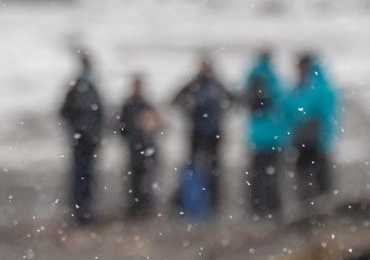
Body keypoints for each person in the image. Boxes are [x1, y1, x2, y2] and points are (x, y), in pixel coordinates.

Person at [171, 56, 233, 217]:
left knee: (213, 169)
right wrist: (190, 111)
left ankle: (212, 203)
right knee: (193, 168)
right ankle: (188, 202)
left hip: (212, 133)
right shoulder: (195, 85)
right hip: (197, 132)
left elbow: (232, 99)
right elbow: (175, 99)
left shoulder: (215, 85)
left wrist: (219, 113)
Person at [284, 53, 338, 211]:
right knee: (310, 175)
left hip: (312, 139)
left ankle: (316, 209)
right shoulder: (316, 84)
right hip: (306, 139)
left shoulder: (313, 86)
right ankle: (313, 208)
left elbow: (303, 111)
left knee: (314, 176)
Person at [57, 51, 105, 225]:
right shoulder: (79, 88)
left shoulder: (91, 89)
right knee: (80, 176)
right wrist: (77, 129)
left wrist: (95, 134)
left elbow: (100, 115)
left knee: (88, 177)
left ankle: (86, 211)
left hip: (89, 141)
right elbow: (64, 113)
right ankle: (79, 212)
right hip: (81, 141)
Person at [242, 50, 287, 219]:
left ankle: (257, 208)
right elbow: (283, 105)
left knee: (257, 175)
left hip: (257, 137)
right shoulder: (273, 80)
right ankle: (271, 209)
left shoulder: (252, 78)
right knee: (271, 176)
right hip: (273, 137)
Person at [117, 75, 162, 221]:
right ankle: (135, 208)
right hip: (134, 148)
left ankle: (145, 207)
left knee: (147, 179)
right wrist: (134, 129)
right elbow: (120, 127)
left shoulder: (147, 104)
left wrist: (152, 125)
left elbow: (159, 125)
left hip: (147, 147)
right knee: (134, 180)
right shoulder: (129, 105)